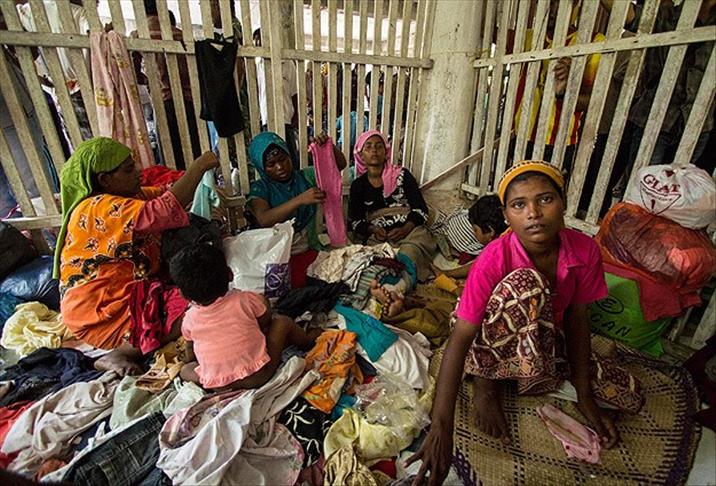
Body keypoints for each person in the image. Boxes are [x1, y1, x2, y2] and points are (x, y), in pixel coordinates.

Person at [408, 161, 643, 485]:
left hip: (540, 331)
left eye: (545, 199)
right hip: (484, 336)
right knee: (527, 284)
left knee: (629, 395)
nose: (533, 213)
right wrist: (441, 428)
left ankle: (524, 371)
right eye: (519, 204)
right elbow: (461, 337)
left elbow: (577, 318)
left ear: (563, 202)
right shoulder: (494, 257)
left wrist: (584, 395)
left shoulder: (585, 250)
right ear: (507, 215)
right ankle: (486, 382)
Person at [55, 137, 219, 376]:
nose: (138, 173)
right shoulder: (96, 207)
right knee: (198, 306)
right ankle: (120, 353)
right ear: (105, 180)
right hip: (100, 310)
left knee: (200, 297)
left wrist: (200, 184)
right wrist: (199, 167)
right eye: (128, 170)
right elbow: (163, 210)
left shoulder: (130, 198)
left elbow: (166, 195)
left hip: (126, 294)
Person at [169, 243, 319, 390]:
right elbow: (265, 321)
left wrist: (203, 364)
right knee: (282, 322)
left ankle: (211, 377)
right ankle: (307, 340)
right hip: (258, 376)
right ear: (230, 274)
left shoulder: (189, 319)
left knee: (185, 370)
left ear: (182, 294)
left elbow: (190, 350)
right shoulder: (245, 300)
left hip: (218, 384)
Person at [348, 130, 436, 315]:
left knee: (409, 252)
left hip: (409, 230)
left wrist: (406, 228)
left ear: (386, 151)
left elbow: (421, 210)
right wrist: (372, 229)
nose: (374, 150)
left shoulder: (402, 176)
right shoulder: (358, 185)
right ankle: (389, 291)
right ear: (360, 154)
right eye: (368, 147)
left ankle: (397, 290)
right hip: (379, 236)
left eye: (379, 146)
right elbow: (355, 222)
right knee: (378, 261)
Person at [512, 0, 605, 173]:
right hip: (521, 136)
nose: (551, 8)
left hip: (558, 141)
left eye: (557, 2)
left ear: (575, 4)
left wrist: (565, 91)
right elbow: (486, 30)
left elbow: (590, 103)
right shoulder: (530, 37)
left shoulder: (592, 42)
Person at [247, 131, 346, 286]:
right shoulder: (261, 188)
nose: (280, 167)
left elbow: (338, 165)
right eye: (271, 164)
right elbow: (264, 218)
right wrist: (300, 199)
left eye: (283, 159)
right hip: (278, 257)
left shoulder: (305, 176)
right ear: (261, 167)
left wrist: (328, 147)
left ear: (289, 155)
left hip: (309, 248)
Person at [130, 0, 201, 170]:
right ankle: (197, 184)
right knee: (194, 152)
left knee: (171, 156)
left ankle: (177, 184)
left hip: (163, 103)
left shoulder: (138, 35)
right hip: (189, 101)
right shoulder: (182, 35)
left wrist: (149, 79)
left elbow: (135, 74)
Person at [253, 28, 300, 167]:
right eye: (256, 42)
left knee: (289, 157)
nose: (259, 45)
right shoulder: (256, 65)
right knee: (269, 158)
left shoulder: (288, 64)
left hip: (286, 118)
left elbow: (294, 92)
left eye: (261, 40)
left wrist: (296, 114)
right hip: (265, 119)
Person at [431, 194, 507, 280]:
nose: (474, 233)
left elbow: (476, 266)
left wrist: (446, 273)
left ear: (491, 231)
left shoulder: (498, 249)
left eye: (475, 230)